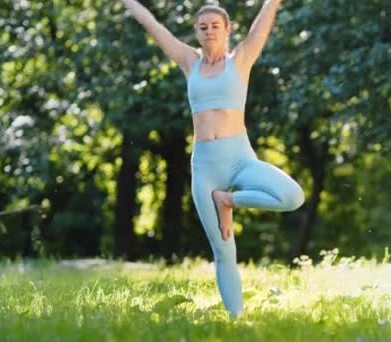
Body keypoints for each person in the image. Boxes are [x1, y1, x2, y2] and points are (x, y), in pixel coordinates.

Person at [121, 0, 305, 317]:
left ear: (227, 30)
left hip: (240, 158)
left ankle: (228, 201)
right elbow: (156, 28)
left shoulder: (241, 59)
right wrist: (132, 6)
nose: (209, 32)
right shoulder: (189, 62)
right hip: (205, 166)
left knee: (292, 196)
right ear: (196, 32)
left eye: (215, 26)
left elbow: (262, 23)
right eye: (203, 27)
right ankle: (237, 321)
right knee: (223, 250)